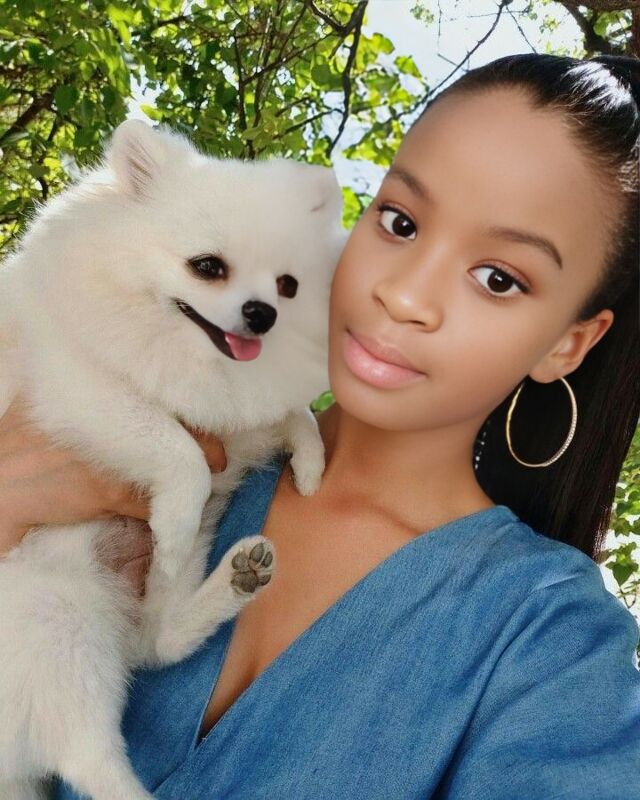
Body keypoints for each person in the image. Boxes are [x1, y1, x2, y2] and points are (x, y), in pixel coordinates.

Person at [1, 52, 639, 799]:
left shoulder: (550, 642)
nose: (405, 295)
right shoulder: (132, 420)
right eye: (400, 222)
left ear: (568, 343)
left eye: (498, 278)